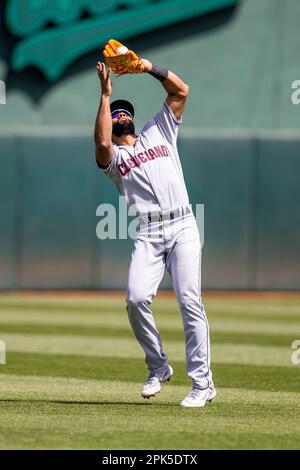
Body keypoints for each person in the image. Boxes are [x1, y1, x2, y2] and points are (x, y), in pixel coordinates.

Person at [94, 54, 216, 408]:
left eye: (123, 110)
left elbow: (181, 91)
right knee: (134, 299)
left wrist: (146, 67)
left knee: (189, 301)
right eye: (114, 113)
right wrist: (105, 94)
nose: (120, 115)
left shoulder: (158, 129)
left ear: (131, 117)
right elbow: (101, 145)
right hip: (148, 234)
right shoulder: (114, 160)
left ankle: (202, 384)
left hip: (182, 226)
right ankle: (158, 366)